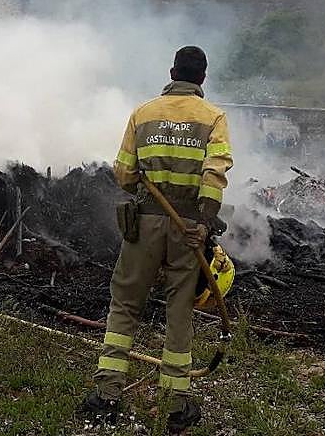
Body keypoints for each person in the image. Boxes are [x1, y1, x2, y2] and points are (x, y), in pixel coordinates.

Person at [80, 46, 233, 431]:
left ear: (172, 73)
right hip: (188, 230)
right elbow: (215, 175)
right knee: (179, 308)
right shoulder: (213, 118)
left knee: (126, 303)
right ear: (202, 78)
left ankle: (107, 394)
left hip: (145, 222)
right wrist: (204, 220)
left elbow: (124, 175)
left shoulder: (143, 113)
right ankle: (176, 403)